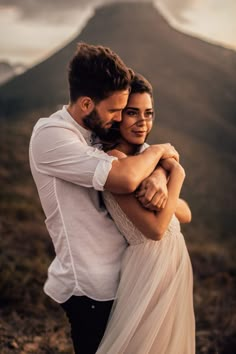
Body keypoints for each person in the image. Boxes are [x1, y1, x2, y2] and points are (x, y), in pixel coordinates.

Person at [29, 43, 180, 354]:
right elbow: (125, 178)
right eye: (115, 110)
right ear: (86, 103)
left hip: (124, 277)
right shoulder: (52, 136)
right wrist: (159, 150)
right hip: (91, 287)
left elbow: (137, 168)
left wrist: (158, 175)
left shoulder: (95, 133)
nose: (118, 118)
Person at [96, 73, 195, 353]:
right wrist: (177, 172)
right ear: (117, 116)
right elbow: (156, 230)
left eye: (148, 114)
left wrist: (161, 178)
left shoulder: (147, 156)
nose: (142, 122)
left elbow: (184, 213)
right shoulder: (116, 161)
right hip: (149, 264)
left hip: (173, 262)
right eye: (132, 113)